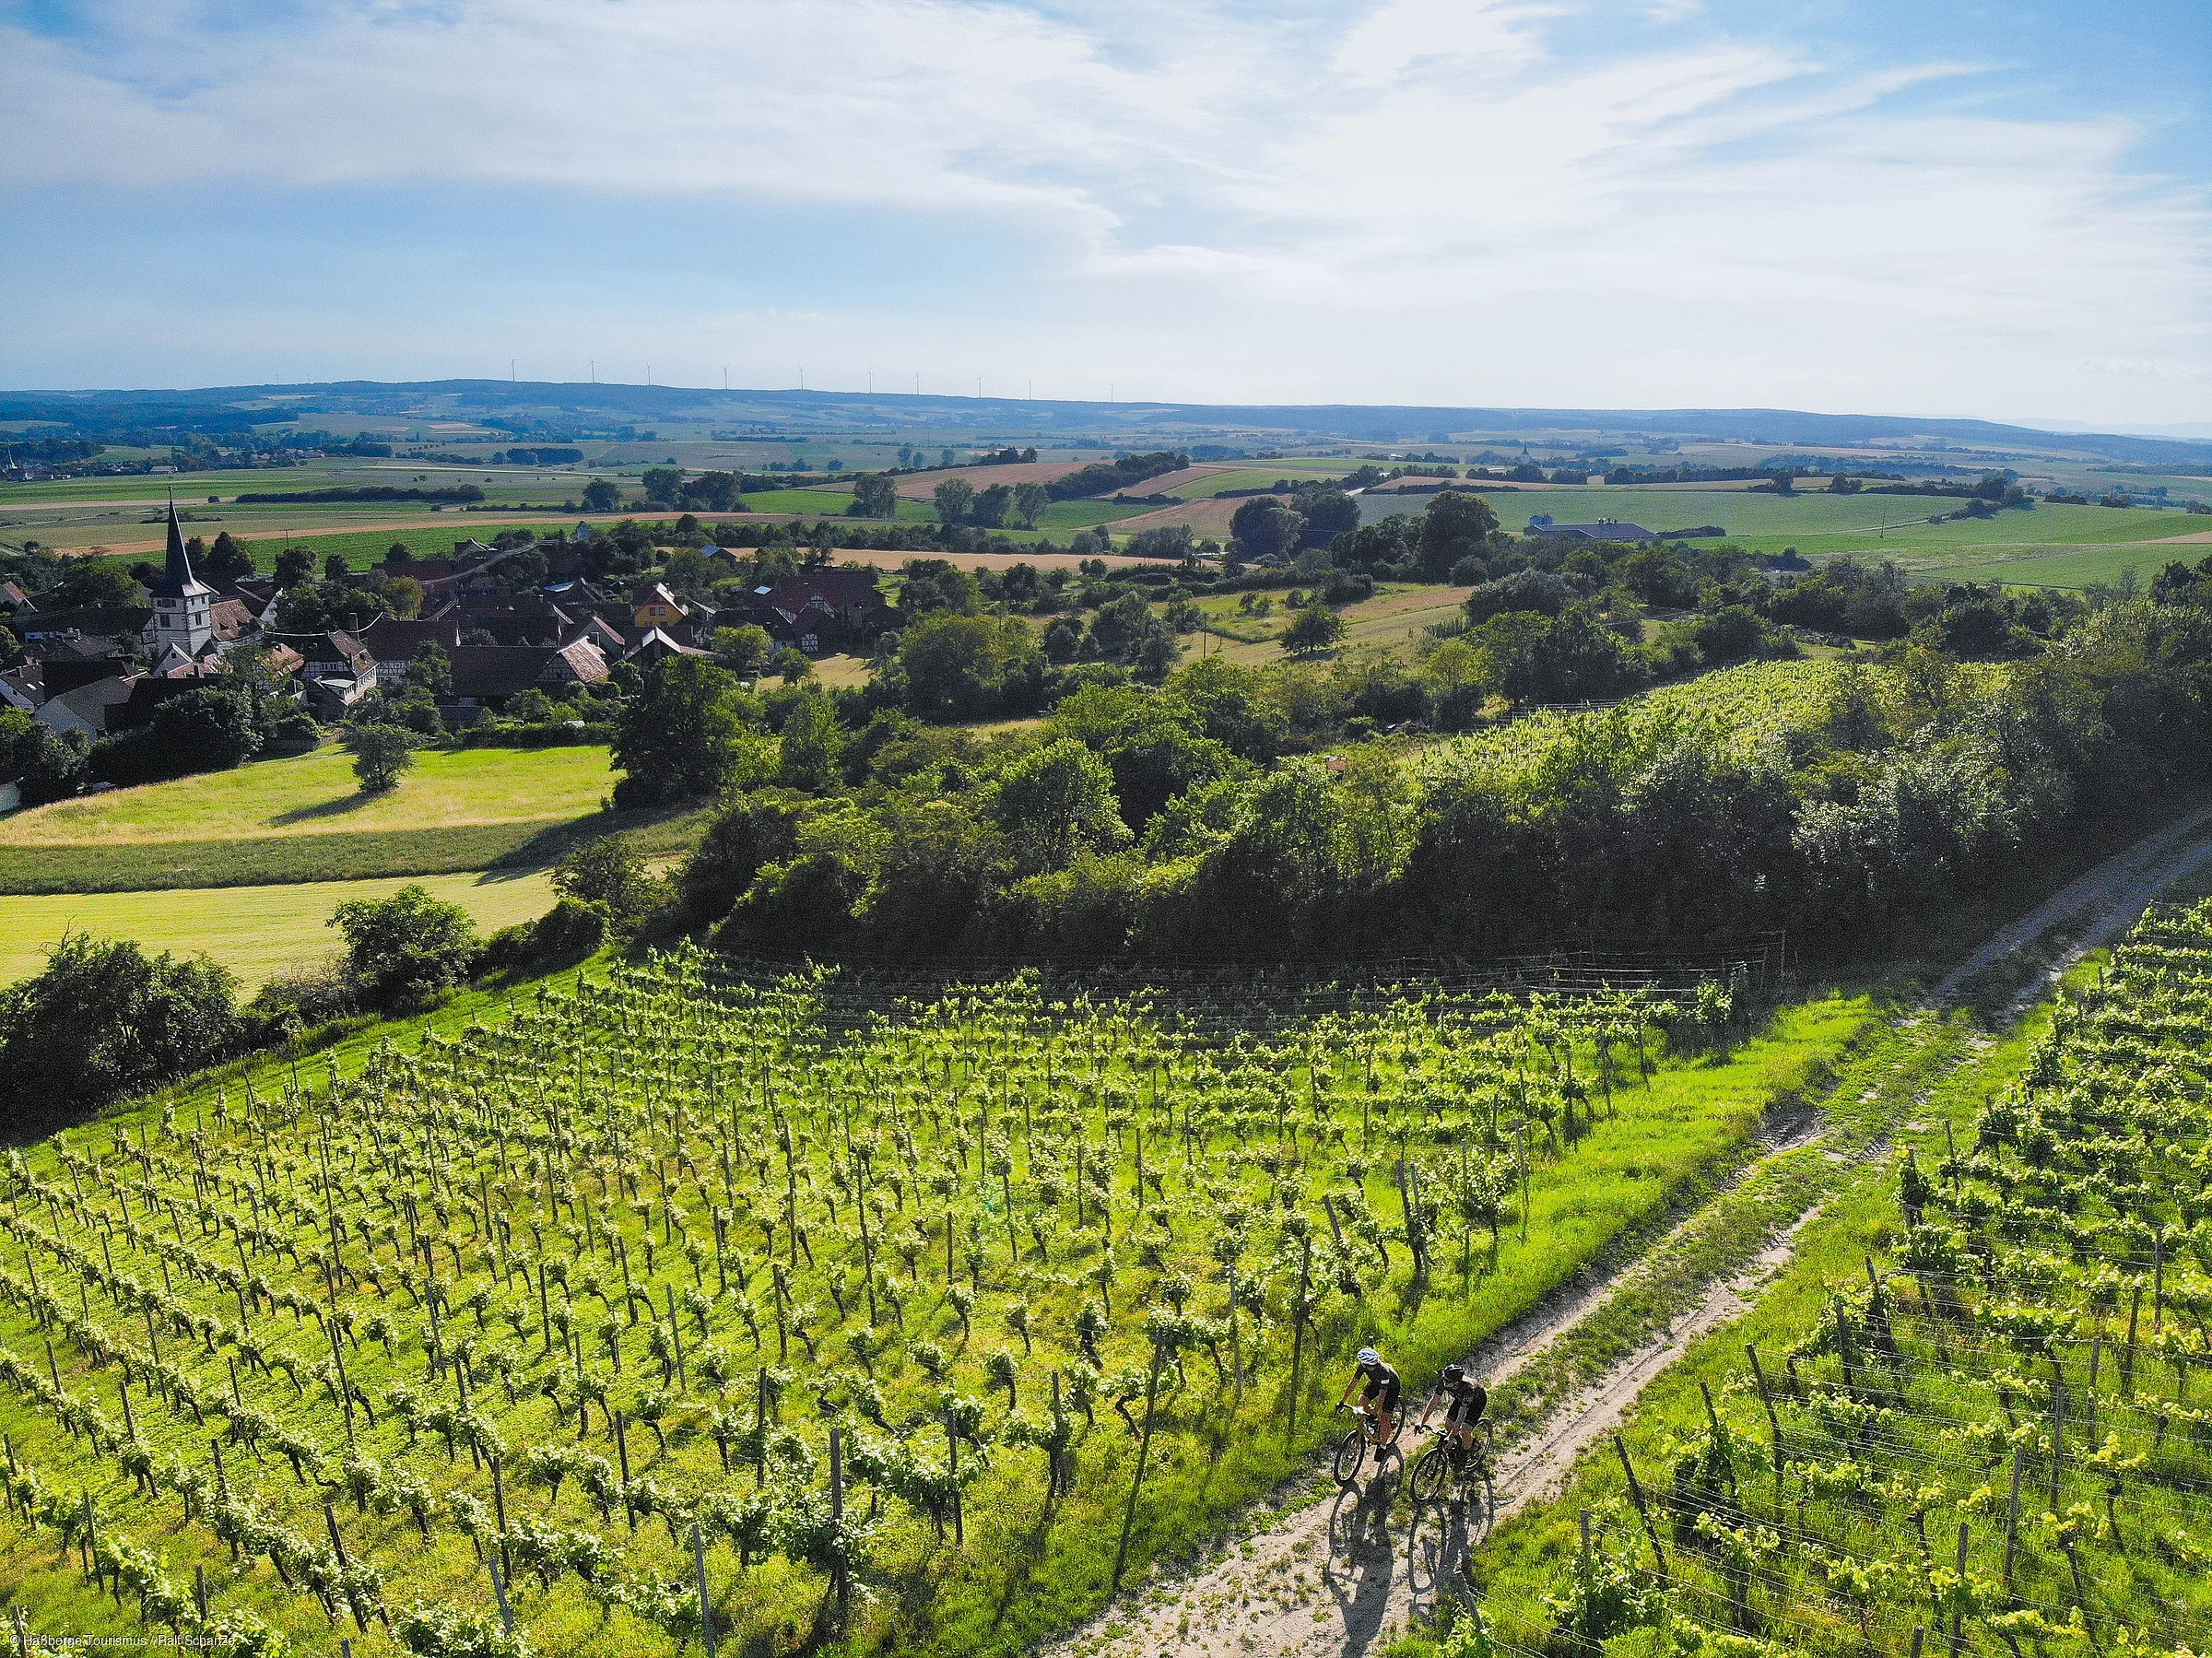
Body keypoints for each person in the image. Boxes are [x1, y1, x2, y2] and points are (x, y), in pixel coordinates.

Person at [1419, 1363, 1488, 1466]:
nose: (1444, 1382)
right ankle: (1460, 1444)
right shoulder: (1445, 1380)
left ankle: (1468, 1450)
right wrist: (1422, 1421)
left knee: (1465, 1429)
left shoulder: (1468, 1388)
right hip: (1461, 1398)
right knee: (1448, 1424)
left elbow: (1461, 1415)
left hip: (1477, 1401)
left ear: (1456, 1383)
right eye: (1444, 1378)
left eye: (1447, 1381)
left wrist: (1451, 1435)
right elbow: (1434, 1400)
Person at [1338, 1346, 1402, 1446]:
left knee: (1384, 1419)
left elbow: (1382, 1395)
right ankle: (1375, 1422)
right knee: (1362, 1400)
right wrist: (1342, 1401)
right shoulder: (1363, 1366)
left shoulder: (1383, 1371)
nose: (1365, 1367)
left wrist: (1377, 1410)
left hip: (1392, 1387)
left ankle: (1383, 1445)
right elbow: (1353, 1383)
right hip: (1376, 1383)